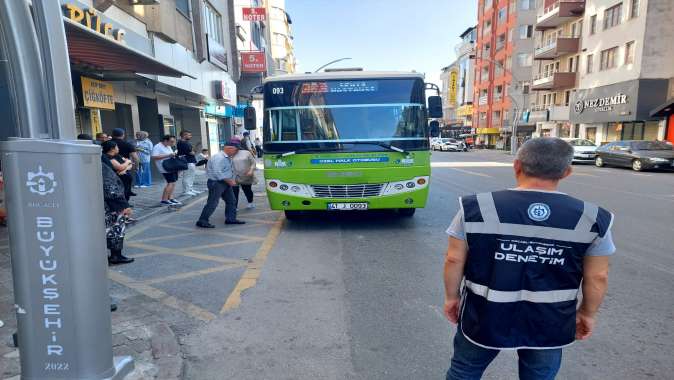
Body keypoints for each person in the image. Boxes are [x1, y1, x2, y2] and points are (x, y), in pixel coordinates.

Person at [443, 137, 615, 380]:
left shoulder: (477, 207)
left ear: (517, 166)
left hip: (484, 315)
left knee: (464, 372)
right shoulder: (593, 218)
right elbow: (598, 276)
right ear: (566, 172)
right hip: (550, 319)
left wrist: (452, 298)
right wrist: (587, 313)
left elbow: (453, 259)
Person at [196, 142, 245, 228]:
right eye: (236, 150)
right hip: (217, 183)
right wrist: (229, 181)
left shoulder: (226, 157)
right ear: (229, 148)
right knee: (213, 202)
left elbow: (226, 170)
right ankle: (202, 220)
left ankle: (230, 219)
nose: (237, 152)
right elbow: (217, 172)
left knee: (231, 201)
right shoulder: (219, 158)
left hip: (225, 182)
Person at [101, 154, 134, 265]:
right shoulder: (100, 165)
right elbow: (111, 188)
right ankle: (116, 255)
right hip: (110, 205)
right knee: (116, 229)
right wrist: (124, 205)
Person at [152, 135, 181, 206]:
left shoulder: (168, 146)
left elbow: (170, 155)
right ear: (165, 141)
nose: (173, 143)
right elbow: (154, 157)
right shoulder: (157, 146)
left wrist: (174, 154)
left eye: (174, 141)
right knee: (170, 183)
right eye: (171, 141)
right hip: (165, 167)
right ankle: (164, 199)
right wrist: (168, 155)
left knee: (173, 183)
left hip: (171, 166)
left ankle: (170, 198)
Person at [111, 128, 138, 200]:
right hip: (124, 166)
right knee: (126, 183)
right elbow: (135, 157)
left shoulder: (107, 143)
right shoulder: (127, 144)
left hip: (110, 167)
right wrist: (136, 166)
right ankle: (125, 202)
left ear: (112, 135)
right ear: (123, 135)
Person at [231, 137, 257, 209]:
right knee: (234, 192)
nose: (233, 146)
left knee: (247, 190)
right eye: (232, 144)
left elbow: (253, 163)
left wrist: (251, 170)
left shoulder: (246, 153)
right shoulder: (230, 154)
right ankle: (234, 207)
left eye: (235, 144)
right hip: (234, 176)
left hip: (246, 176)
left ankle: (250, 202)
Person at [177, 130, 200, 196]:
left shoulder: (185, 142)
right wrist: (194, 151)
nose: (190, 136)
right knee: (187, 176)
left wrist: (193, 151)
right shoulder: (183, 143)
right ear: (184, 135)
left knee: (191, 176)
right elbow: (191, 152)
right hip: (187, 162)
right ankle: (186, 191)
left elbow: (192, 152)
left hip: (190, 161)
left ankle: (190, 189)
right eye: (189, 135)